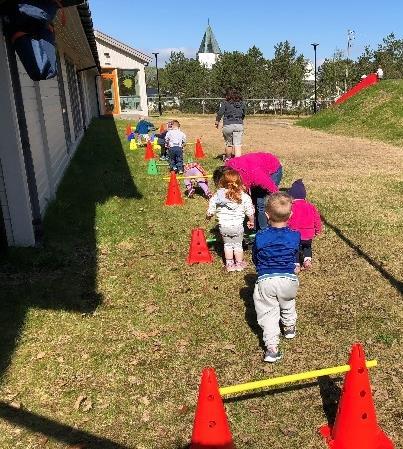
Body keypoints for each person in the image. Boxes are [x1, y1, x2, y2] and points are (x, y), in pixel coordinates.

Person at [252, 193, 300, 362]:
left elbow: (255, 257)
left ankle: (272, 348)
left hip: (266, 280)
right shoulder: (295, 236)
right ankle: (289, 327)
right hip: (289, 279)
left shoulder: (260, 236)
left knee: (268, 313)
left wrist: (260, 267)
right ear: (291, 215)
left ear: (266, 215)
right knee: (288, 303)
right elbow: (294, 254)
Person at [213, 152, 283, 230]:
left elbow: (273, 189)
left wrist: (282, 205)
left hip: (273, 169)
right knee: (253, 200)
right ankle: (255, 225)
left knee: (260, 203)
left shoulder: (256, 175)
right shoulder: (228, 168)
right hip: (253, 167)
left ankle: (264, 231)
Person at [207, 169, 255, 272]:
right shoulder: (243, 196)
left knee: (227, 245)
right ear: (239, 182)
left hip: (224, 227)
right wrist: (251, 221)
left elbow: (211, 206)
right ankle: (239, 264)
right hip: (237, 226)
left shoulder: (218, 195)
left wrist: (209, 215)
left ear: (222, 182)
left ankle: (229, 265)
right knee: (238, 245)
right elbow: (250, 210)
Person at [287, 179, 322, 270]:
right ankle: (307, 261)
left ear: (291, 197)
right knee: (307, 247)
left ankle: (296, 265)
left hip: (295, 234)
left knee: (295, 249)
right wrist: (318, 230)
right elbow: (317, 219)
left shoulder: (291, 207)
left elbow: (287, 220)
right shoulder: (311, 206)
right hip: (308, 234)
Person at [215, 88, 246, 160]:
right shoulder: (242, 103)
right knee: (237, 145)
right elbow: (244, 113)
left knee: (229, 144)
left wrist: (217, 121)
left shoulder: (225, 103)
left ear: (227, 95)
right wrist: (240, 120)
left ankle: (227, 159)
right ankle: (238, 162)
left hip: (228, 125)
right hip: (239, 125)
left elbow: (220, 113)